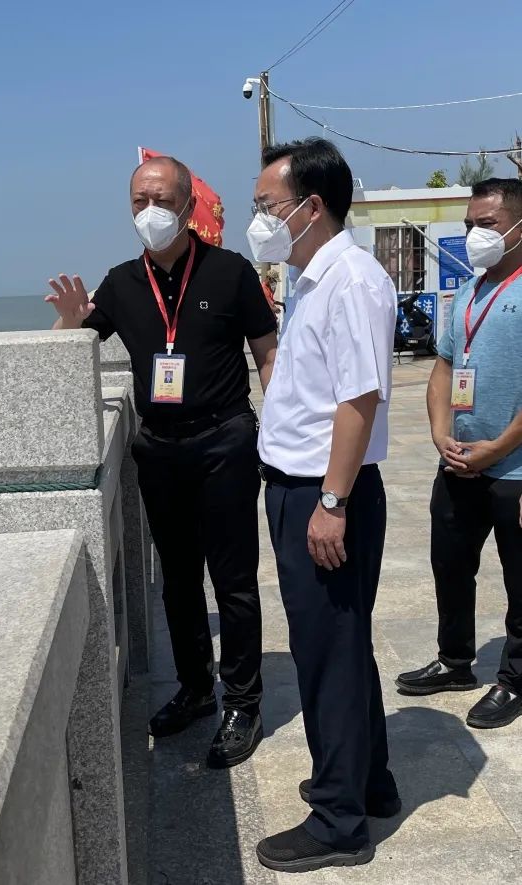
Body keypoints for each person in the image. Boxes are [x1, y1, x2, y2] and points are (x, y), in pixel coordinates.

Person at [46, 155, 278, 768]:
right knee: (178, 579)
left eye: (163, 201)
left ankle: (244, 704)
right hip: (159, 448)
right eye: (139, 202)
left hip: (224, 440)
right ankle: (197, 688)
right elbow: (71, 350)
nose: (150, 212)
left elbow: (268, 354)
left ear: (187, 206)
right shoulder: (122, 282)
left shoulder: (230, 271)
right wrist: (67, 321)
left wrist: (279, 432)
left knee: (233, 580)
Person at [250, 138, 399, 873]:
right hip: (300, 484)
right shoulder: (309, 276)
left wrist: (332, 501)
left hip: (325, 490)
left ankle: (339, 821)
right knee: (341, 645)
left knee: (327, 653)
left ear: (311, 206)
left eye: (267, 206)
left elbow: (358, 399)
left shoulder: (353, 280)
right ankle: (367, 781)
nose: (260, 220)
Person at [395, 178, 522, 729]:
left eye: (487, 225)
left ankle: (515, 679)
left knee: (519, 579)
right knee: (450, 565)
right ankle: (454, 660)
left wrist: (498, 447)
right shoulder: (468, 292)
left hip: (514, 468)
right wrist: (439, 431)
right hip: (459, 462)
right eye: (470, 225)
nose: (474, 235)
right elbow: (443, 368)